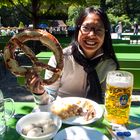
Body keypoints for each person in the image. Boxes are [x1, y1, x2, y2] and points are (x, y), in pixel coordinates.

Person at [25, 6, 119, 105]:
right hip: (63, 114)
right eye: (86, 28)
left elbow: (107, 100)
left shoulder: (109, 64)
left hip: (94, 115)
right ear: (78, 30)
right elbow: (49, 98)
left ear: (106, 33)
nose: (91, 34)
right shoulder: (60, 60)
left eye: (99, 29)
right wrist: (39, 93)